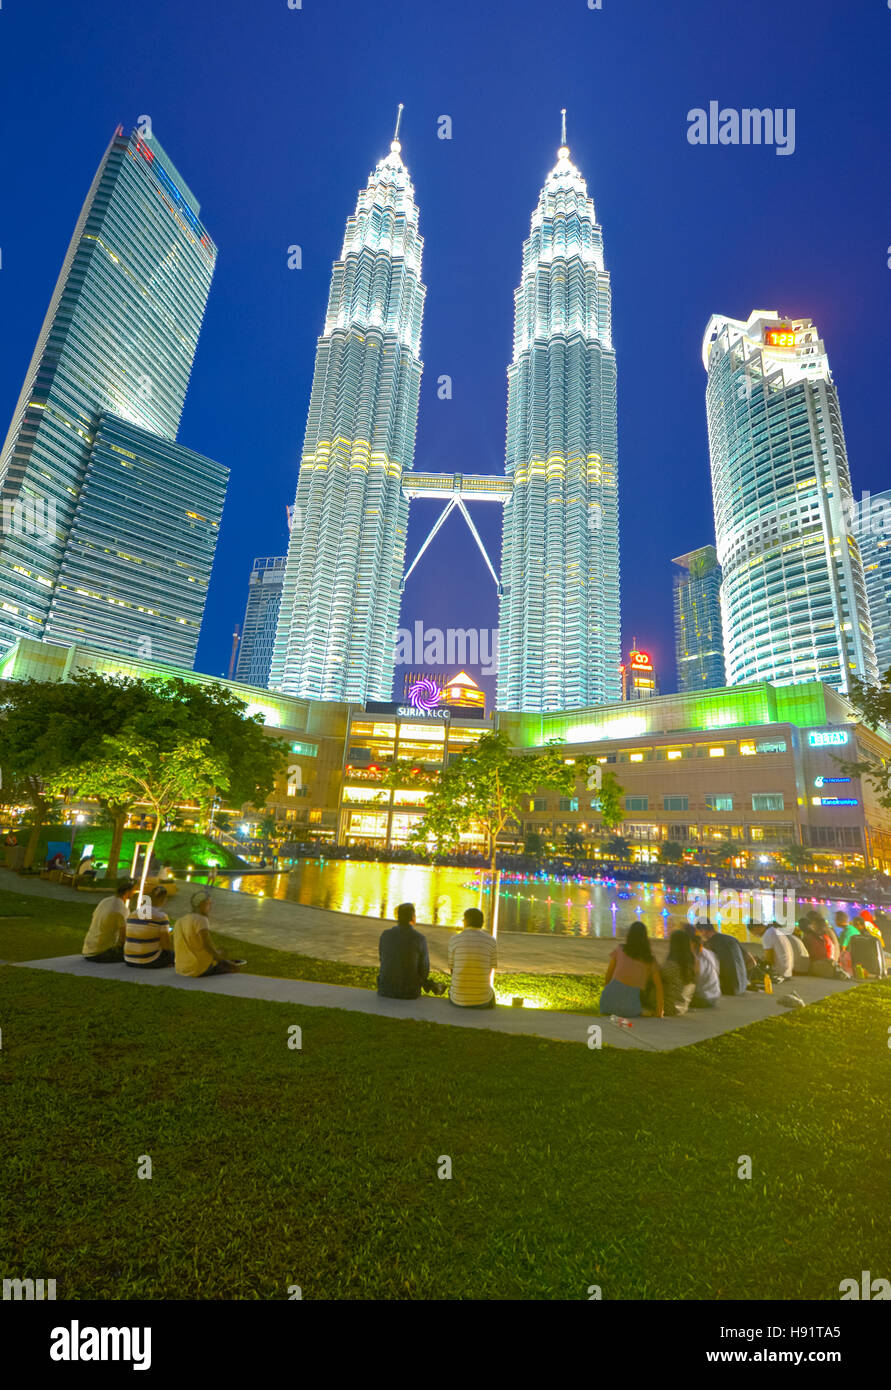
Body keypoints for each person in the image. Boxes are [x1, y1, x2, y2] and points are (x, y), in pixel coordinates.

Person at [377, 902, 446, 999]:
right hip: (409, 992)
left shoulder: (385, 935)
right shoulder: (419, 938)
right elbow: (424, 970)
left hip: (385, 989)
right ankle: (433, 986)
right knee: (415, 974)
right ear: (413, 917)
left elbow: (382, 959)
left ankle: (432, 986)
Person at [599, 921, 664, 1018]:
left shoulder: (620, 950)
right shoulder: (649, 960)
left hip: (606, 1004)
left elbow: (608, 975)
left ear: (629, 935)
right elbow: (659, 987)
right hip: (629, 1008)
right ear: (645, 938)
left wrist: (607, 995)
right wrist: (659, 1011)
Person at [174, 891, 240, 977]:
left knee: (220, 952)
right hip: (196, 968)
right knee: (224, 957)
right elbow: (207, 944)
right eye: (208, 903)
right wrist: (223, 960)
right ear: (201, 904)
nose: (210, 907)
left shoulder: (180, 920)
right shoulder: (201, 919)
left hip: (181, 968)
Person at [448, 906, 498, 1009]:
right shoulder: (491, 941)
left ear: (465, 922)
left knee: (453, 989)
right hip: (482, 1000)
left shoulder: (454, 939)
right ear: (482, 923)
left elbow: (452, 970)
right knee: (491, 993)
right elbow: (490, 969)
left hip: (457, 999)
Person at [81, 879, 138, 962]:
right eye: (133, 890)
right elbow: (123, 937)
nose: (134, 892)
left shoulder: (105, 901)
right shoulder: (121, 909)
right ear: (127, 891)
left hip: (88, 949)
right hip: (100, 953)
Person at [124, 886, 174, 969]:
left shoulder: (133, 913)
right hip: (149, 960)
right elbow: (166, 944)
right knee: (175, 955)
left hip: (129, 959)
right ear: (162, 899)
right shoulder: (161, 916)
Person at [700, 921, 748, 995]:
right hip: (742, 987)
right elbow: (752, 961)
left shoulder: (709, 944)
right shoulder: (732, 939)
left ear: (703, 931)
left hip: (726, 988)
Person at [659, 930, 697, 1016]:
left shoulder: (671, 964)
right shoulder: (691, 963)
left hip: (669, 1008)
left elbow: (657, 977)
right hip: (682, 1008)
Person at [689, 933, 721, 1007]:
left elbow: (694, 979)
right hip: (715, 997)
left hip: (703, 999)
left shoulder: (695, 958)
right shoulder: (711, 954)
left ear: (693, 943)